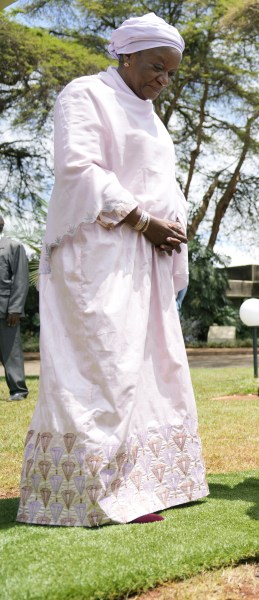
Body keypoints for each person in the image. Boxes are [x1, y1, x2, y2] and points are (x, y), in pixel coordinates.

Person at [16, 13, 208, 527]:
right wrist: (144, 221)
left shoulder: (150, 114)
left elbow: (156, 176)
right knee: (106, 367)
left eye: (169, 73)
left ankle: (149, 482)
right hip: (97, 257)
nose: (162, 81)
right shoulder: (84, 95)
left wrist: (171, 224)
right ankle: (99, 492)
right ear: (125, 54)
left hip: (145, 258)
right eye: (155, 67)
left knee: (150, 369)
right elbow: (78, 169)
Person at [0, 215, 29, 402]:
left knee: (11, 352)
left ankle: (18, 390)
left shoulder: (12, 246)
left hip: (6, 310)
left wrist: (16, 308)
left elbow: (21, 279)